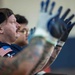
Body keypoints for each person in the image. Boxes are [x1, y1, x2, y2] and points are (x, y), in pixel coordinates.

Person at [0, 0, 74, 75]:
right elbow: (22, 68)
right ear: (0, 29)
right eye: (12, 22)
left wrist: (55, 40)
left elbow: (37, 66)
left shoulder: (14, 47)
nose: (18, 26)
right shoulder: (2, 49)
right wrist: (41, 32)